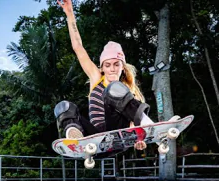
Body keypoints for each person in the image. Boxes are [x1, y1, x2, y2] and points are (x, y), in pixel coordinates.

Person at [55, 0, 158, 151]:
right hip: (95, 138)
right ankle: (76, 139)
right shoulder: (97, 79)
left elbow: (130, 122)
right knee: (63, 107)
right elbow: (78, 47)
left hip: (117, 135)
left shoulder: (129, 91)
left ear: (123, 67)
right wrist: (70, 14)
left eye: (117, 64)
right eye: (107, 65)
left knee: (115, 89)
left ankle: (146, 122)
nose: (112, 69)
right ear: (102, 68)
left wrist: (139, 138)